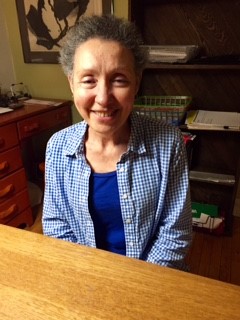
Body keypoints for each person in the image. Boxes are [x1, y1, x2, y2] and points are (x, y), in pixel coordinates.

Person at [42, 14, 192, 271]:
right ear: (71, 83)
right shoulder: (57, 147)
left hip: (152, 278)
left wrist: (133, 284)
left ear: (136, 82)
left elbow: (175, 233)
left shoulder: (168, 143)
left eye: (119, 79)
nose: (103, 98)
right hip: (85, 276)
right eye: (88, 80)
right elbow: (56, 227)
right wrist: (92, 278)